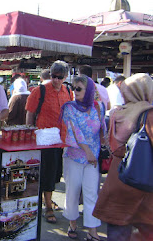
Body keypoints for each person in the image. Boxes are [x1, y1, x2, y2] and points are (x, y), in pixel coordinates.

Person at [93, 73, 153, 241]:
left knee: (117, 229)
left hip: (117, 176)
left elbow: (111, 144)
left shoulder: (117, 113)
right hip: (141, 178)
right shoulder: (148, 115)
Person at [26, 60, 73, 224]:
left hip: (61, 140)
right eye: (54, 76)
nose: (57, 80)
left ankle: (47, 200)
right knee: (46, 174)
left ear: (66, 77)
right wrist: (29, 134)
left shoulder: (68, 91)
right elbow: (30, 114)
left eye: (60, 77)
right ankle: (48, 206)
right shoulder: (40, 91)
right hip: (44, 141)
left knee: (55, 174)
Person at [60, 75, 105, 241]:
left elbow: (102, 129)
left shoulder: (99, 106)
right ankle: (72, 223)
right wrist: (88, 151)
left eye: (78, 88)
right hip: (74, 157)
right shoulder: (69, 108)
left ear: (89, 91)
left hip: (93, 158)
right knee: (72, 191)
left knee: (92, 193)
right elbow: (74, 132)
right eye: (73, 88)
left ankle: (92, 230)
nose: (74, 91)